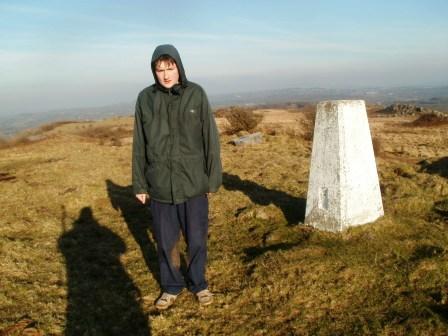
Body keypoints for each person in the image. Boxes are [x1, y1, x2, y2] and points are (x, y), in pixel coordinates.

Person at [132, 44, 222, 310]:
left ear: (179, 67)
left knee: (196, 238)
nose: (165, 74)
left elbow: (210, 139)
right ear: (154, 72)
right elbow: (139, 143)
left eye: (170, 68)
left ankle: (199, 284)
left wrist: (212, 179)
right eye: (159, 70)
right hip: (160, 184)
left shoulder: (196, 94)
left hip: (194, 182)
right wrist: (139, 183)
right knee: (165, 240)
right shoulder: (145, 98)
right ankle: (171, 286)